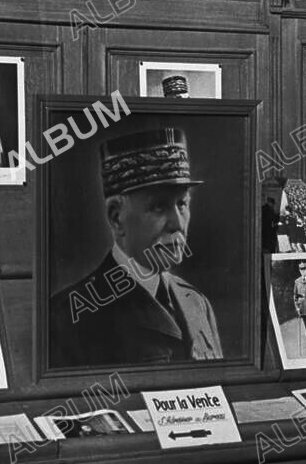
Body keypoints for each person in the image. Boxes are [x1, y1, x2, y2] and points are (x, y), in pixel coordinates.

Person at [49, 128, 223, 367]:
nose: (178, 223)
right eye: (159, 207)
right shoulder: (68, 315)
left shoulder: (196, 303)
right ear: (116, 217)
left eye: (182, 204)